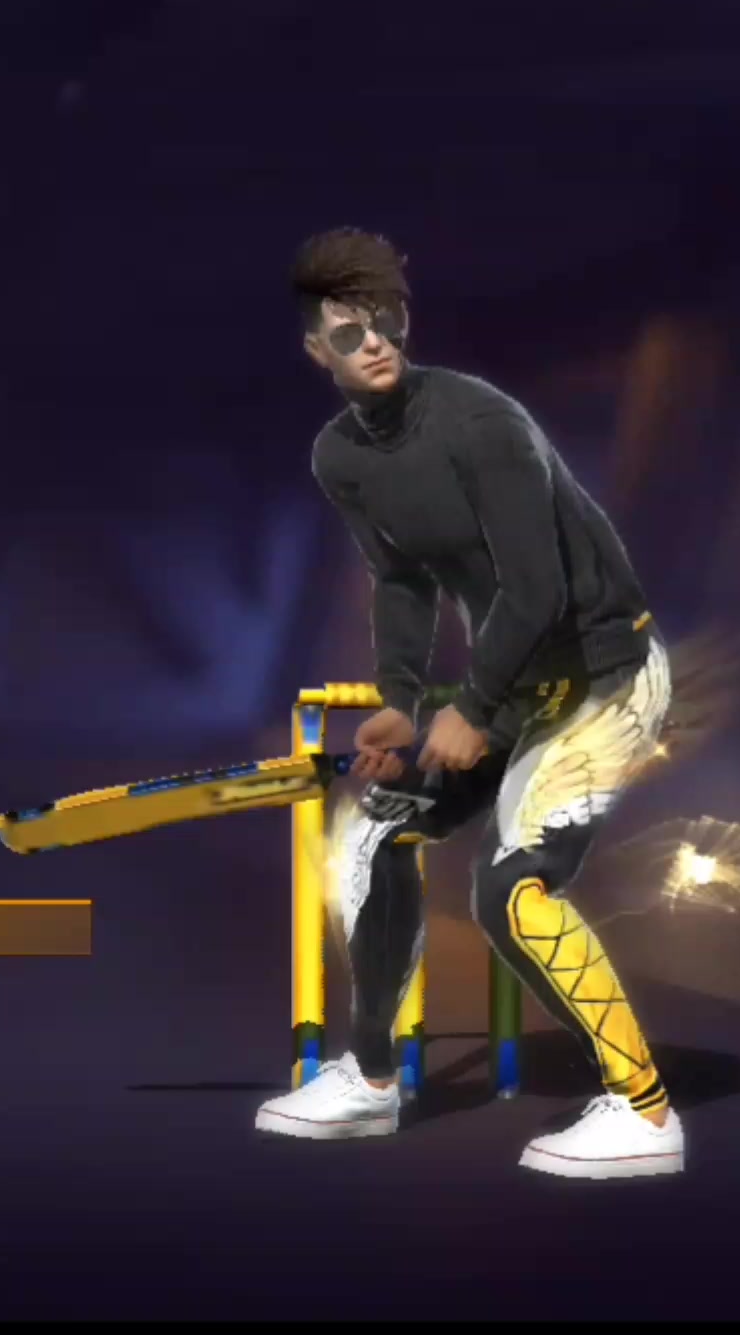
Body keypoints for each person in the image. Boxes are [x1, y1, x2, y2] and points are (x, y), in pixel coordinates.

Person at [255, 228, 682, 1180]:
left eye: (386, 318)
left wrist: (478, 711)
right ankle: (372, 1082)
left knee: (511, 889)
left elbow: (537, 590)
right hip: (522, 682)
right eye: (349, 330)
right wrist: (404, 702)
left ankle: (646, 1112)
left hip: (607, 675)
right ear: (318, 351)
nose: (374, 339)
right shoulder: (341, 457)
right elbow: (402, 581)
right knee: (374, 834)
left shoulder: (482, 421)